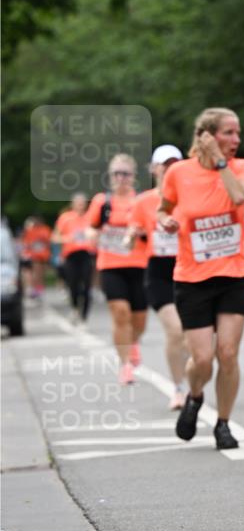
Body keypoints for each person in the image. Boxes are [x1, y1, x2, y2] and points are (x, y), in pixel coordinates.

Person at [158, 108, 244, 450]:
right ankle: (195, 395)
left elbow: (239, 197)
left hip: (235, 273)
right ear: (206, 136)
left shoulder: (241, 167)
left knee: (227, 353)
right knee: (202, 359)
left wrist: (220, 164)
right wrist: (166, 221)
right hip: (193, 277)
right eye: (228, 133)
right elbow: (163, 208)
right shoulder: (179, 174)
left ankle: (224, 424)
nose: (236, 140)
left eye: (238, 134)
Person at [128, 145, 188, 408]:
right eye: (165, 165)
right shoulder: (143, 202)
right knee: (175, 331)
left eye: (175, 164)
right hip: (159, 273)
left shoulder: (190, 197)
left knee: (195, 335)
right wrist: (132, 235)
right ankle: (178, 388)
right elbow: (132, 235)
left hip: (190, 269)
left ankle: (193, 382)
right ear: (154, 169)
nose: (170, 170)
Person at [86, 154, 148, 383]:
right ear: (110, 176)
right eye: (116, 174)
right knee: (120, 312)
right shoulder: (102, 202)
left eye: (125, 174)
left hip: (139, 264)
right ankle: (124, 365)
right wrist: (93, 235)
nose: (121, 178)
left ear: (133, 177)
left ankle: (133, 343)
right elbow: (91, 228)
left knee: (139, 319)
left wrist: (140, 233)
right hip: (110, 264)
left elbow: (152, 228)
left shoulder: (141, 201)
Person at [53, 193, 95, 322]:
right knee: (73, 284)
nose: (80, 206)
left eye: (82, 203)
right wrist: (66, 239)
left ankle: (84, 315)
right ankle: (75, 308)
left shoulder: (91, 218)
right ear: (73, 204)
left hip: (86, 255)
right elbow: (55, 237)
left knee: (87, 285)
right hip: (71, 255)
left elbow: (98, 234)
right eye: (78, 203)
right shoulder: (65, 218)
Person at [20, 215, 52, 299]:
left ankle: (39, 288)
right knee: (36, 271)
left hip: (44, 254)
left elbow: (48, 240)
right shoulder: (31, 231)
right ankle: (35, 289)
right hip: (35, 255)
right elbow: (27, 242)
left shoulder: (45, 229)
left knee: (41, 272)